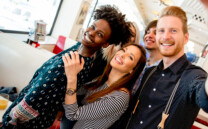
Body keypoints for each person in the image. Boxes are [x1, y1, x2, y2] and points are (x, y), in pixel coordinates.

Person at [125, 0, 208, 128]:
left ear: (185, 38)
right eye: (161, 31)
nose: (166, 36)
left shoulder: (192, 76)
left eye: (173, 31)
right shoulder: (149, 72)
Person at [2, 5, 132, 129]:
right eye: (92, 27)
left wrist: (11, 120)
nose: (91, 33)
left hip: (25, 122)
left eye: (100, 34)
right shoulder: (80, 51)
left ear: (106, 44)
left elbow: (33, 100)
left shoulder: (69, 64)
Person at [62, 43, 146, 129]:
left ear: (132, 70)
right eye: (123, 50)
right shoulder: (102, 81)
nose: (122, 55)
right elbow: (76, 92)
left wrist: (72, 78)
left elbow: (72, 114)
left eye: (130, 57)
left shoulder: (120, 97)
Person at [131, 20, 162, 95]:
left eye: (156, 33)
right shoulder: (141, 63)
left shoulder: (163, 73)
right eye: (148, 32)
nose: (149, 35)